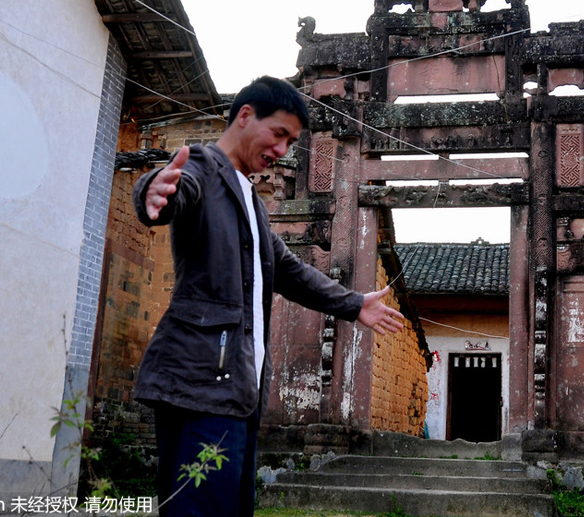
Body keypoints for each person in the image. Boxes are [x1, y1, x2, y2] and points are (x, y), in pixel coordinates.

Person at [132, 76, 404, 517]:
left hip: (239, 389)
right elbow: (173, 188)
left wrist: (354, 304)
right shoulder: (202, 165)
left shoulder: (251, 201)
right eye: (278, 134)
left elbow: (291, 272)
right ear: (244, 115)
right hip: (199, 385)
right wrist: (153, 193)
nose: (282, 150)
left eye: (291, 142)